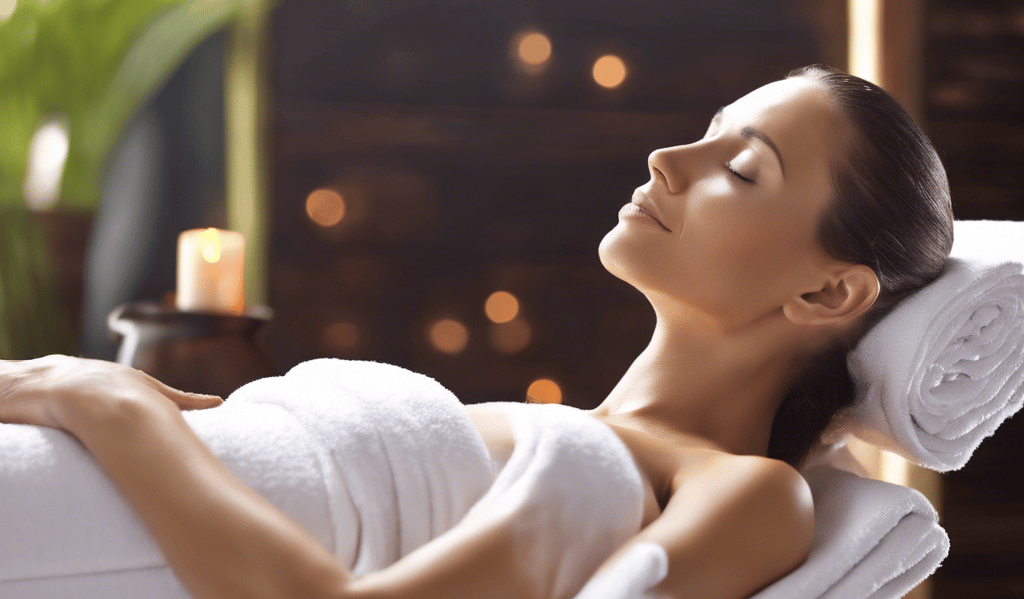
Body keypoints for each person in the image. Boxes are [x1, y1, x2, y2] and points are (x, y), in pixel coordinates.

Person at [0, 64, 953, 599]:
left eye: (742, 170)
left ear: (830, 294)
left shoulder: (737, 491)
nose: (669, 158)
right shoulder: (586, 453)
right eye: (705, 130)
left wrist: (109, 402)